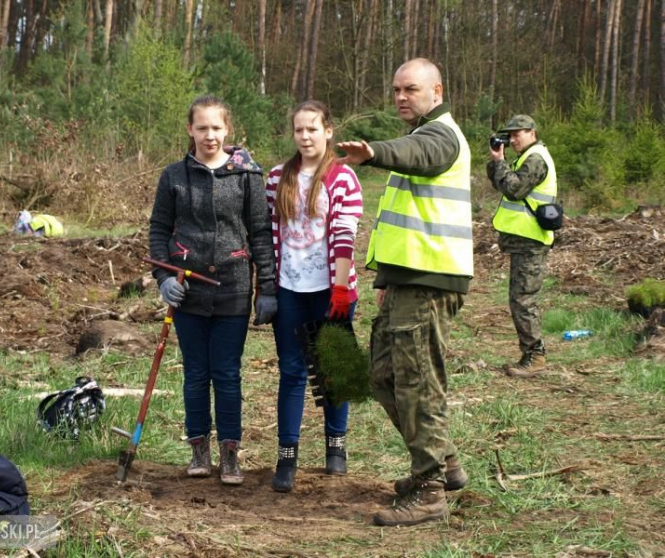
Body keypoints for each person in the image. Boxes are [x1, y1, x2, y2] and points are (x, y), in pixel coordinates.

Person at [337, 58, 472, 527]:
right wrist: (388, 281)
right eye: (396, 89)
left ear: (437, 90)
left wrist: (373, 152)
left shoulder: (441, 136)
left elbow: (417, 156)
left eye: (410, 89)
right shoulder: (421, 134)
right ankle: (445, 463)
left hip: (431, 282)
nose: (400, 97)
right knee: (382, 377)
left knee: (417, 384)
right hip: (406, 281)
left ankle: (430, 489)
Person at [149, 95, 277, 486]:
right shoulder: (173, 176)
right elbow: (158, 231)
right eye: (202, 128)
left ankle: (230, 454)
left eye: (216, 128)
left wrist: (266, 288)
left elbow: (259, 233)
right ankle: (199, 449)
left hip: (233, 288)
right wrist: (164, 279)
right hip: (188, 293)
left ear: (228, 130)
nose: (210, 136)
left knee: (227, 374)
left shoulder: (246, 176)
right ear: (190, 130)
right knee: (194, 374)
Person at [264, 101, 363, 493]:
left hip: (330, 289)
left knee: (334, 370)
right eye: (299, 130)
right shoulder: (277, 178)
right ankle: (287, 454)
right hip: (290, 289)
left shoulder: (342, 178)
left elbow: (344, 235)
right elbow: (268, 232)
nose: (305, 137)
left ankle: (336, 447)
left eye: (312, 129)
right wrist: (267, 287)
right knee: (291, 371)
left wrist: (340, 288)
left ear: (328, 131)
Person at [487, 115, 558, 378]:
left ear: (532, 132)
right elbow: (500, 183)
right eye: (509, 135)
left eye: (518, 134)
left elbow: (514, 190)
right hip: (523, 242)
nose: (513, 139)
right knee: (520, 299)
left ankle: (536, 357)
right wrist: (497, 159)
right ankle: (531, 354)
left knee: (524, 300)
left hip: (532, 242)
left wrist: (500, 163)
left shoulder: (536, 159)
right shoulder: (525, 157)